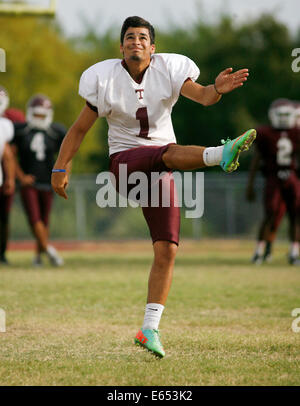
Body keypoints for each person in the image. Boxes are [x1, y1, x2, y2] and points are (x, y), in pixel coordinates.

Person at [51, 16, 256, 358]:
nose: (136, 42)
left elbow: (204, 97)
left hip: (163, 166)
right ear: (121, 46)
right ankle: (221, 154)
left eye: (142, 37)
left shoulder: (170, 69)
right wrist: (60, 165)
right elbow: (78, 130)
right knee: (166, 154)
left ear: (153, 47)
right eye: (129, 37)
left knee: (167, 249)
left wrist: (217, 89)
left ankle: (149, 329)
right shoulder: (104, 78)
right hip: (126, 165)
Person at [11, 94, 67, 267]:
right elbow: (10, 156)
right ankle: (49, 250)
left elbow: (67, 154)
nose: (38, 118)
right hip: (29, 182)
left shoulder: (55, 131)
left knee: (44, 220)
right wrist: (21, 177)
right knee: (34, 219)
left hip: (48, 181)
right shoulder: (21, 131)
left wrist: (64, 174)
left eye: (42, 115)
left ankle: (38, 256)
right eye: (36, 114)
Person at [246, 98, 300, 265]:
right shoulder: (265, 133)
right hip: (273, 177)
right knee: (270, 214)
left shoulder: (296, 132)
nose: (283, 118)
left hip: (291, 177)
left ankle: (294, 252)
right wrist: (250, 184)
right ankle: (260, 251)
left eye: (286, 114)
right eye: (280, 114)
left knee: (296, 215)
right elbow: (257, 159)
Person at [0, 86, 16, 264]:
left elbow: (7, 155)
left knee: (4, 218)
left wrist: (10, 178)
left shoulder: (5, 124)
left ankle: (2, 253)